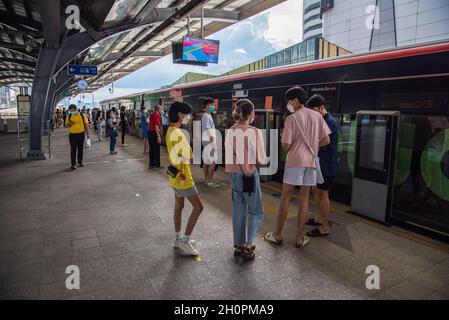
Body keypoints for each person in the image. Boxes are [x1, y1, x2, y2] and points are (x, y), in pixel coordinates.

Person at [264, 86, 330, 248]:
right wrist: (313, 147)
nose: (289, 104)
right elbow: (326, 140)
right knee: (305, 199)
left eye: (289, 100)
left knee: (286, 197)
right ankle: (300, 238)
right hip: (311, 161)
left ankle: (278, 234)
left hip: (295, 161)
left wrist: (292, 143)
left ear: (295, 100)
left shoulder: (291, 119)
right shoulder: (317, 116)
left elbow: (286, 145)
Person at [225, 99, 266, 260]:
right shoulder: (254, 132)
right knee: (256, 211)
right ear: (250, 114)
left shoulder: (230, 131)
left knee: (238, 211)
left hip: (234, 176)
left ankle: (239, 244)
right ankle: (248, 245)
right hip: (248, 176)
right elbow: (261, 159)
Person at [166, 101, 204, 256]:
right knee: (198, 207)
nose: (189, 117)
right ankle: (185, 241)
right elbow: (190, 155)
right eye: (187, 114)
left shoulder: (170, 130)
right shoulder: (179, 133)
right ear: (181, 115)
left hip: (174, 176)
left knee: (179, 206)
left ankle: (178, 238)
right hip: (183, 177)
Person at [306, 94, 338, 237]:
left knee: (323, 194)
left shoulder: (329, 122)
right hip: (319, 164)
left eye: (313, 110)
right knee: (315, 190)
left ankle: (325, 227)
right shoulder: (321, 119)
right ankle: (319, 218)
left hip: (326, 166)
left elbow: (323, 142)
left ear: (321, 108)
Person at [201, 98, 220, 188]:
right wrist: (213, 142)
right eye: (211, 105)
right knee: (213, 161)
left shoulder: (208, 115)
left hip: (207, 141)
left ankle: (206, 180)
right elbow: (208, 130)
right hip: (209, 141)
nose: (213, 106)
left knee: (207, 161)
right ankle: (209, 181)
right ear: (206, 106)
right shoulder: (206, 116)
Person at [65, 104, 90, 170]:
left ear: (76, 109)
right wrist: (70, 123)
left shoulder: (82, 115)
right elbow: (66, 126)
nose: (72, 112)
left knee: (80, 149)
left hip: (81, 134)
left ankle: (80, 162)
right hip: (72, 135)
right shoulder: (69, 116)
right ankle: (73, 164)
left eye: (73, 110)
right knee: (73, 150)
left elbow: (86, 124)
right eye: (71, 111)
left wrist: (88, 134)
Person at [148, 104, 163, 169]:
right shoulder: (157, 115)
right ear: (158, 109)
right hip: (154, 133)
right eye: (161, 108)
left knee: (151, 149)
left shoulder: (152, 114)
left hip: (150, 133)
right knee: (156, 149)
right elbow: (156, 126)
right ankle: (157, 165)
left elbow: (150, 123)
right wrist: (158, 136)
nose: (161, 110)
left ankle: (151, 164)